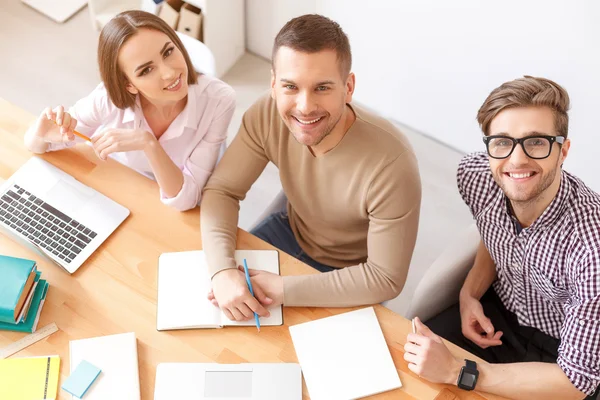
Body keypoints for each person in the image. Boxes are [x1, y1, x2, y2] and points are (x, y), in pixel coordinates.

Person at [201, 14, 421, 322]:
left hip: (352, 272)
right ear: (274, 85)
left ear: (348, 87)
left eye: (322, 88)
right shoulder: (265, 112)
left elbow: (385, 277)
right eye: (291, 86)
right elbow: (222, 190)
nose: (304, 107)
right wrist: (222, 270)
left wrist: (283, 289)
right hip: (290, 231)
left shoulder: (392, 164)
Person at [404, 76, 600, 399]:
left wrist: (458, 371)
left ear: (563, 150)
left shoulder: (591, 250)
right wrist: (470, 293)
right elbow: (492, 233)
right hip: (497, 317)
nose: (517, 159)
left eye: (536, 141)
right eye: (502, 142)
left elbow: (576, 381)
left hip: (565, 353)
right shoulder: (475, 177)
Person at [24, 10, 235, 211]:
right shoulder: (107, 99)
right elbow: (36, 145)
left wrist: (149, 143)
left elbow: (187, 198)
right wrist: (43, 134)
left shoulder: (219, 100)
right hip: (123, 187)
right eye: (146, 70)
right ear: (129, 85)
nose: (170, 73)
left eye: (169, 52)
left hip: (169, 199)